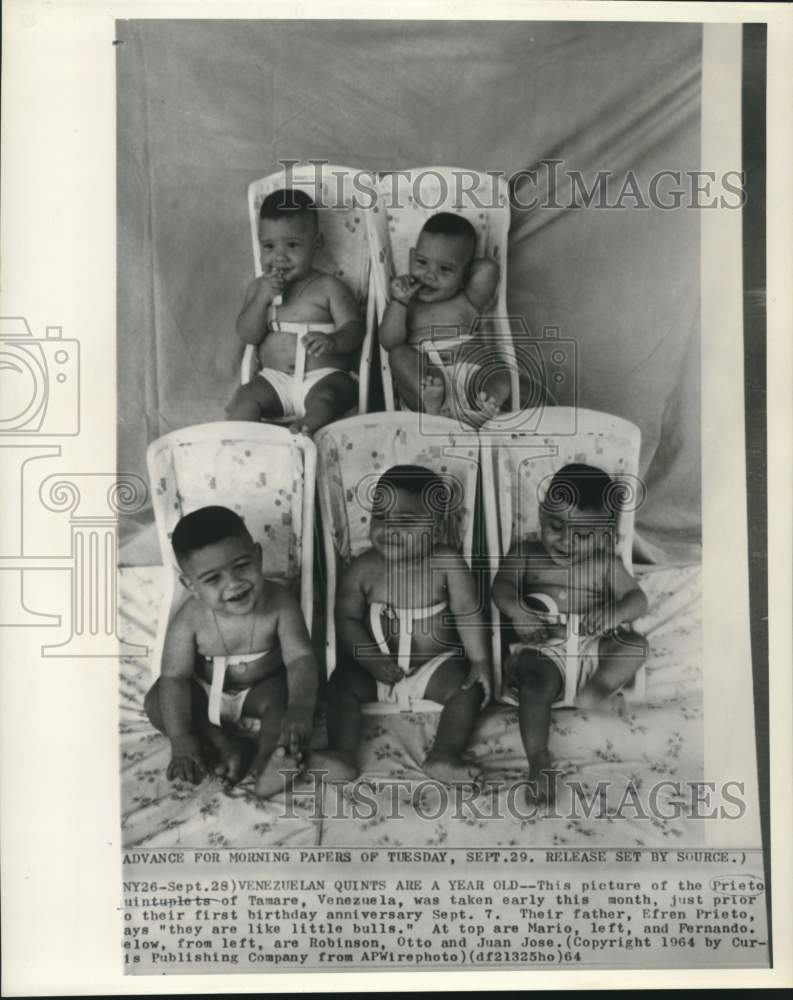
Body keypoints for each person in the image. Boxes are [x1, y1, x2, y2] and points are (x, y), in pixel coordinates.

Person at [315, 465, 492, 785]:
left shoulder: (447, 563)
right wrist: (369, 659)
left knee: (469, 689)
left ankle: (444, 754)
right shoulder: (363, 568)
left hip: (434, 667)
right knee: (339, 683)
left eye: (406, 521)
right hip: (374, 667)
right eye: (380, 517)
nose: (390, 529)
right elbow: (347, 619)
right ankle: (341, 752)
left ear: (437, 528)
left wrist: (480, 660)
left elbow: (467, 611)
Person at [491, 463, 649, 802]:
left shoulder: (605, 563)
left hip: (592, 647)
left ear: (605, 531)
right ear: (541, 514)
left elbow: (638, 600)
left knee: (635, 645)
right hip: (542, 650)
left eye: (583, 534)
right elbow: (500, 587)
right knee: (534, 686)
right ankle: (538, 760)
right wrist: (517, 611)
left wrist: (615, 614)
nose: (566, 540)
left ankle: (598, 690)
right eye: (556, 526)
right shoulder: (526, 555)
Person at [144, 505, 319, 799]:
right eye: (213, 579)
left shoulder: (280, 604)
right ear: (191, 585)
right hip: (208, 689)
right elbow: (175, 676)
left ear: (259, 556)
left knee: (284, 700)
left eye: (242, 565)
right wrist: (180, 737)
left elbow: (300, 658)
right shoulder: (190, 618)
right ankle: (224, 745)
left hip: (259, 692)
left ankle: (268, 762)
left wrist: (300, 706)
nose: (234, 583)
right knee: (157, 700)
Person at [226, 189, 364, 434]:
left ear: (316, 244)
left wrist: (334, 341)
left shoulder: (329, 287)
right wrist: (261, 300)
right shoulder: (259, 288)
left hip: (323, 376)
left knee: (326, 399)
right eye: (269, 246)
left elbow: (354, 329)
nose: (279, 257)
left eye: (292, 245)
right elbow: (248, 335)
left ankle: (304, 432)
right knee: (243, 400)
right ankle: (245, 448)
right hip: (275, 379)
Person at [377, 212, 509, 422]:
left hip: (471, 380)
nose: (430, 275)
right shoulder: (405, 303)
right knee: (398, 355)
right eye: (421, 262)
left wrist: (461, 278)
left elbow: (489, 269)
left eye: (445, 269)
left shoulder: (468, 299)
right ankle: (436, 404)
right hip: (426, 384)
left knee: (501, 372)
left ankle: (486, 403)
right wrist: (399, 301)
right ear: (411, 257)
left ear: (465, 275)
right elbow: (388, 341)